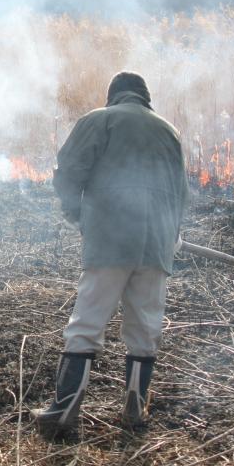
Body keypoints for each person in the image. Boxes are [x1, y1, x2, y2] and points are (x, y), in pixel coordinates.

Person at [34, 71, 189, 441]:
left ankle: (65, 408)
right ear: (145, 98)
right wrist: (173, 234)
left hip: (111, 238)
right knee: (145, 328)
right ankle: (136, 409)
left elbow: (69, 172)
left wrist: (76, 214)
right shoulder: (169, 130)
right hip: (158, 243)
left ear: (114, 96)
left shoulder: (98, 120)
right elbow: (181, 190)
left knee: (87, 322)